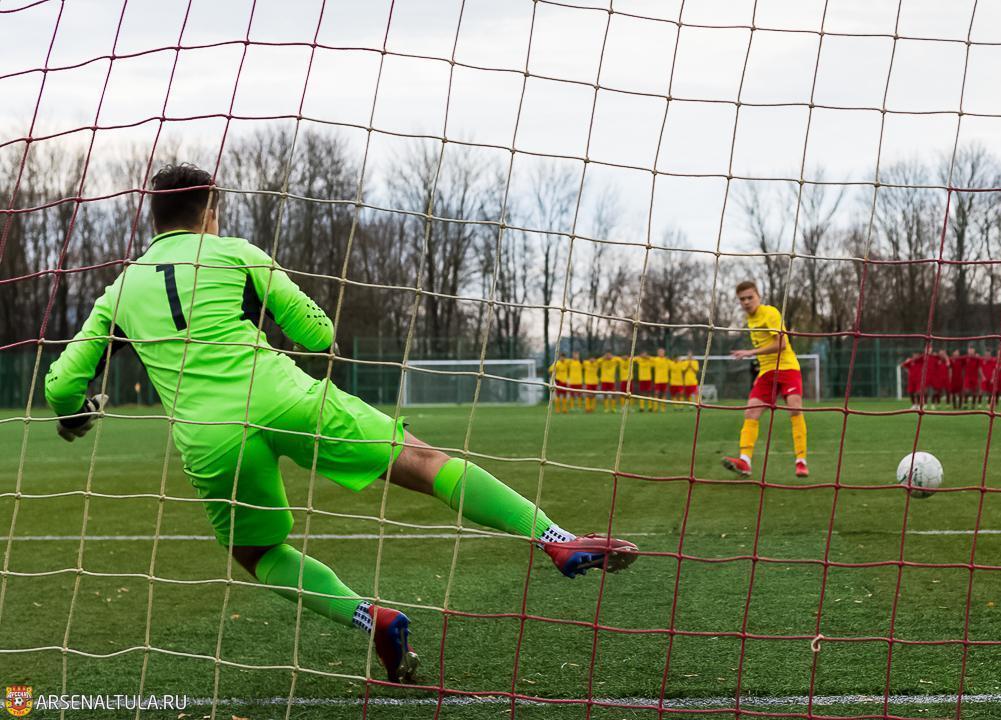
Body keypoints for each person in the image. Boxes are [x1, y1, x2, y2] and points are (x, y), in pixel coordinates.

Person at [42, 164, 638, 685]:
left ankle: (370, 618)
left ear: (155, 220)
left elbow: (63, 384)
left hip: (210, 438)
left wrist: (76, 415)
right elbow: (316, 333)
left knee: (259, 553)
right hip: (285, 399)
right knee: (423, 461)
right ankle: (556, 540)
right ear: (210, 212)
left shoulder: (119, 291)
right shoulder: (237, 254)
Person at [720, 281, 808, 479]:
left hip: (787, 368)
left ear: (759, 296)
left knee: (795, 408)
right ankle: (745, 462)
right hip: (767, 373)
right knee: (751, 411)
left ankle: (801, 461)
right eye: (742, 299)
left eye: (750, 297)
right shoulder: (750, 320)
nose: (746, 302)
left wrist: (750, 352)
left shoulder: (770, 313)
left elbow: (782, 344)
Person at [651, 347, 671, 412]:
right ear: (657, 353)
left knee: (664, 394)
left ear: (664, 353)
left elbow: (672, 366)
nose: (661, 353)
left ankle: (663, 408)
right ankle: (655, 408)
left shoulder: (667, 360)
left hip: (665, 380)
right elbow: (647, 359)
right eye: (660, 352)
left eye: (662, 352)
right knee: (656, 393)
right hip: (658, 380)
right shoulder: (655, 359)